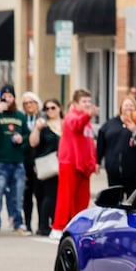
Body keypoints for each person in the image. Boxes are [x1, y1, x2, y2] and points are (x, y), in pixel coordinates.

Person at [51, 89, 98, 235]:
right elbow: (76, 125)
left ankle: (78, 228)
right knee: (65, 197)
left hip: (84, 166)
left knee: (82, 199)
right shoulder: (71, 117)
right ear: (76, 103)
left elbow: (90, 144)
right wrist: (88, 115)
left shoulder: (88, 123)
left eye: (89, 102)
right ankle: (58, 227)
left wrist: (93, 162)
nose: (87, 104)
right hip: (70, 163)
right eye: (84, 102)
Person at [95, 96, 136, 195]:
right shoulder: (110, 124)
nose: (128, 108)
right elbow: (101, 143)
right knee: (115, 200)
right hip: (113, 171)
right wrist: (97, 161)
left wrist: (135, 130)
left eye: (131, 105)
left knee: (133, 200)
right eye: (126, 105)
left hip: (134, 172)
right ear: (121, 107)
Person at [27, 98, 62, 237]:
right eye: (47, 109)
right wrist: (36, 128)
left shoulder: (66, 124)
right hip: (48, 164)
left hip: (64, 164)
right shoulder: (44, 126)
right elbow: (33, 143)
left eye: (53, 108)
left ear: (59, 108)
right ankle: (43, 225)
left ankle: (56, 222)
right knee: (49, 195)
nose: (50, 111)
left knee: (60, 197)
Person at [0, 86, 28, 234]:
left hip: (17, 162)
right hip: (1, 162)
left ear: (14, 98)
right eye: (4, 96)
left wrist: (21, 138)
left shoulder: (20, 116)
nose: (7, 99)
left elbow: (28, 136)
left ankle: (18, 223)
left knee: (17, 196)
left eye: (10, 96)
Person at [19, 92, 43, 233]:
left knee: (39, 194)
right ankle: (27, 224)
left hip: (39, 162)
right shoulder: (22, 119)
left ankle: (41, 224)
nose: (29, 105)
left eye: (31, 102)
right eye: (26, 103)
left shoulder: (42, 118)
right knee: (26, 195)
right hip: (25, 162)